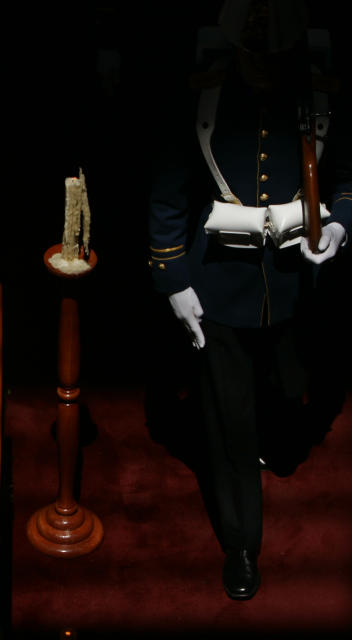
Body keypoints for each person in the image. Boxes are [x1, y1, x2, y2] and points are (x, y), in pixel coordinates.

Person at [148, 0, 350, 601]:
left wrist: (340, 225)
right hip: (221, 286)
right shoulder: (202, 100)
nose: (262, 71)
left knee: (290, 396)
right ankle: (241, 543)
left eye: (274, 59)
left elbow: (344, 179)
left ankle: (280, 439)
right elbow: (168, 193)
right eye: (252, 58)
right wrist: (174, 280)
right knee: (231, 424)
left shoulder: (321, 99)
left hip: (295, 278)